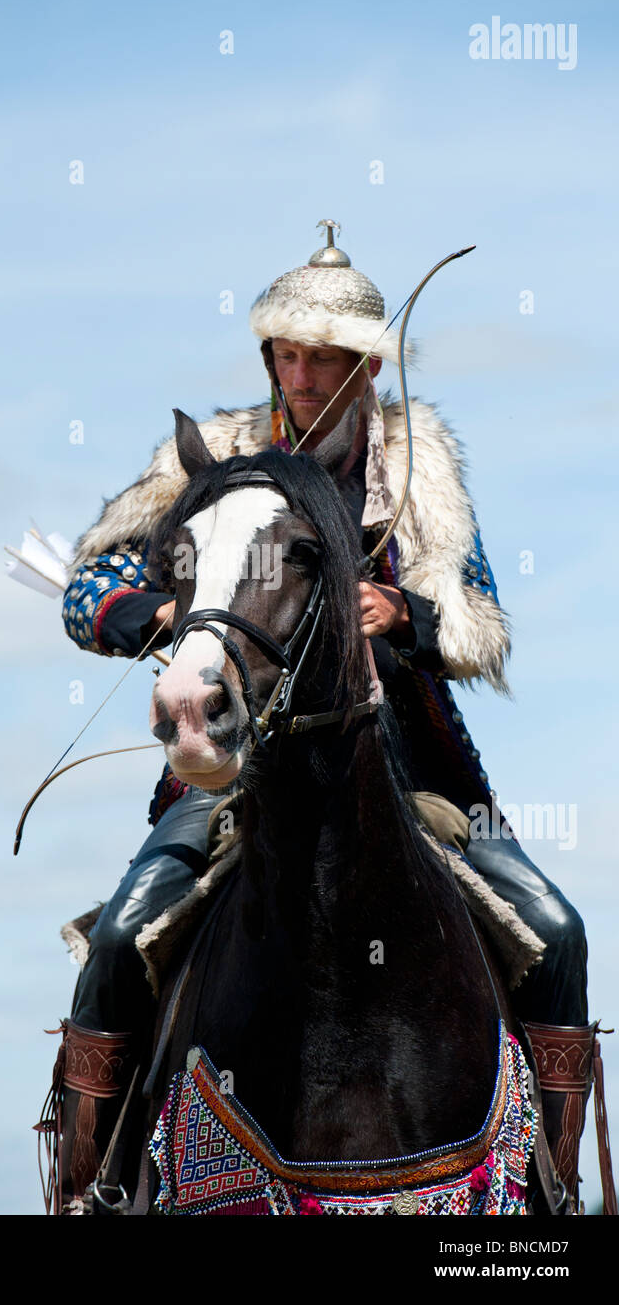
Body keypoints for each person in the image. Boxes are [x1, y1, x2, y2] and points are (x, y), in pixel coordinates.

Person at [43, 222, 592, 1213]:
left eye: (323, 355)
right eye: (285, 353)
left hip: (418, 768)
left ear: (367, 363)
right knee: (124, 939)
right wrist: (158, 609)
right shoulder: (219, 459)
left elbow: (480, 623)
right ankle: (95, 1186)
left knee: (556, 932)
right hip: (234, 772)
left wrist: (408, 612)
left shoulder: (420, 469)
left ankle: (554, 1190)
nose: (300, 373)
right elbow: (92, 583)